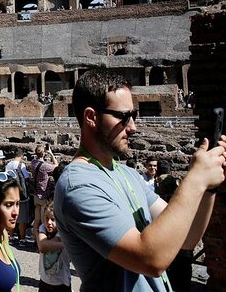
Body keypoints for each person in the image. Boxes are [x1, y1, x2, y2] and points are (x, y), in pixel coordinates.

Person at [54, 69, 226, 292]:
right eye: (123, 116)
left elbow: (188, 238)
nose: (132, 126)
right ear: (91, 117)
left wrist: (209, 187)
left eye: (133, 115)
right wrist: (195, 180)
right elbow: (151, 259)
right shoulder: (78, 186)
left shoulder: (128, 174)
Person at [37, 202, 71, 292]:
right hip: (44, 281)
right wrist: (66, 245)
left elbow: (45, 244)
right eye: (46, 218)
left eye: (53, 219)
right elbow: (42, 246)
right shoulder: (43, 228)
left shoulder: (62, 233)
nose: (49, 222)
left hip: (61, 283)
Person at [30, 145, 57, 242]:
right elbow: (57, 166)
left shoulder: (33, 163)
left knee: (36, 221)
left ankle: (35, 240)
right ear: (43, 153)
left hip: (35, 196)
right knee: (43, 222)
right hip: (43, 196)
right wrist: (51, 153)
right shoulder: (45, 166)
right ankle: (42, 241)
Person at [5, 149, 31, 244]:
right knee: (22, 217)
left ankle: (11, 237)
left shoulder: (8, 165)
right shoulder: (21, 165)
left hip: (10, 192)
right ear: (22, 156)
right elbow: (26, 178)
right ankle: (22, 239)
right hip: (21, 194)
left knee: (12, 214)